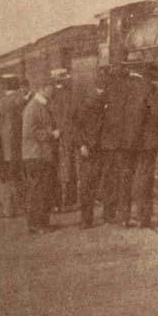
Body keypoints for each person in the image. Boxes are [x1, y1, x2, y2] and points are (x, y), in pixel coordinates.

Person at [100, 64, 150, 225]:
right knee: (139, 178)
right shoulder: (140, 88)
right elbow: (144, 113)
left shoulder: (112, 90)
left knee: (122, 179)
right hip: (136, 142)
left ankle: (123, 217)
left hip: (118, 143)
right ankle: (140, 216)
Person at [0, 74, 30, 217]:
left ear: (4, 87)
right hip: (25, 149)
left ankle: (9, 210)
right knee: (22, 177)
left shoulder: (0, 104)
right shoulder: (25, 102)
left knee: (6, 179)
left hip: (6, 150)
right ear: (17, 86)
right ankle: (25, 207)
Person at [128, 65, 158, 228]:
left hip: (138, 143)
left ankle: (141, 215)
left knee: (139, 178)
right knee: (144, 179)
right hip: (146, 143)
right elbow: (155, 115)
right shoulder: (149, 92)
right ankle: (143, 217)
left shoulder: (135, 92)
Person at [22, 77, 61, 234]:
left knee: (43, 189)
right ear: (43, 88)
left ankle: (41, 223)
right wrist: (51, 134)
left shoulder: (42, 105)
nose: (53, 90)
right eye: (51, 87)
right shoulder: (33, 107)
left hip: (41, 154)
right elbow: (29, 132)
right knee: (37, 190)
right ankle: (36, 224)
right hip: (36, 155)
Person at [72, 72, 108, 228]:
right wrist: (81, 144)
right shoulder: (87, 105)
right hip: (90, 149)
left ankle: (92, 218)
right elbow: (76, 127)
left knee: (95, 183)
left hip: (100, 148)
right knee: (88, 184)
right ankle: (88, 219)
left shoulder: (103, 103)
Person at [49, 68, 77, 211]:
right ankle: (70, 201)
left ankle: (57, 202)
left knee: (56, 169)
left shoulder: (51, 96)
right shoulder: (68, 95)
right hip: (67, 137)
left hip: (55, 138)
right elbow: (71, 116)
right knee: (69, 169)